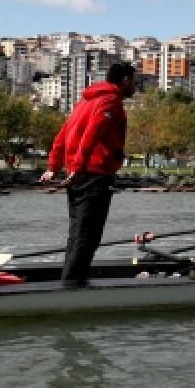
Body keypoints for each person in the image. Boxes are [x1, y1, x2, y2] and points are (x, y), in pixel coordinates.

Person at [40, 62, 137, 285]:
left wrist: (53, 167)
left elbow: (63, 134)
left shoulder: (85, 100)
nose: (135, 86)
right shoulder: (110, 101)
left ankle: (69, 280)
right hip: (93, 175)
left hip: (78, 175)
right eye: (134, 81)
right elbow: (93, 134)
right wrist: (77, 167)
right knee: (88, 236)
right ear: (124, 80)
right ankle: (72, 286)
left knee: (77, 233)